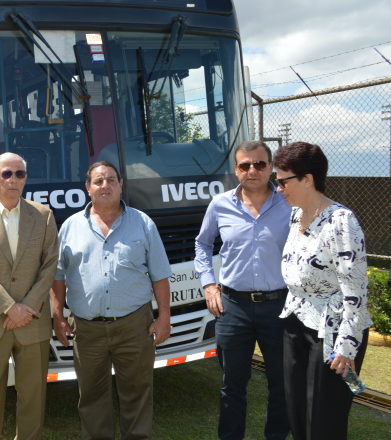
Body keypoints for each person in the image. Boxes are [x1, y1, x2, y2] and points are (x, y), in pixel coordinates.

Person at [51, 161, 172, 440]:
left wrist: (164, 317)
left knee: (138, 393)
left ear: (121, 185)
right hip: (86, 328)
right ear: (88, 188)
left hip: (134, 325)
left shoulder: (143, 223)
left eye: (111, 180)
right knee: (91, 396)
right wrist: (58, 317)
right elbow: (57, 277)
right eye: (98, 181)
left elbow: (160, 273)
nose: (105, 185)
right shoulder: (70, 226)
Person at [273, 142, 373, 440]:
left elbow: (356, 292)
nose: (278, 188)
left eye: (282, 181)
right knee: (298, 413)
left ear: (307, 179)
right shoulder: (296, 215)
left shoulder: (342, 222)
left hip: (332, 330)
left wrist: (346, 346)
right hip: (296, 321)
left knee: (323, 420)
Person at [194, 141, 291, 440]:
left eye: (260, 164)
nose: (253, 170)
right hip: (232, 306)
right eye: (245, 165)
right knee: (232, 385)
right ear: (235, 169)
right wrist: (209, 283)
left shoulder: (289, 202)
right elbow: (202, 244)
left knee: (282, 383)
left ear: (271, 166)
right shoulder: (220, 205)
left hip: (281, 306)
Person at [0, 152, 58, 440]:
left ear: (25, 178)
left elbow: (50, 265)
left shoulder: (43, 216)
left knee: (33, 395)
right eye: (7, 174)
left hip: (32, 319)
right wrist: (8, 308)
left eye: (20, 174)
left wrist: (26, 307)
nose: (13, 179)